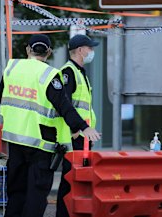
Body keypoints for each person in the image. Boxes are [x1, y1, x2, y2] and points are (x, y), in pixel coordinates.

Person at [0, 34, 101, 217]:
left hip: (15, 140)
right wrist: (83, 127)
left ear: (28, 49)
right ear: (49, 52)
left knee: (16, 192)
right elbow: (64, 106)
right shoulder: (49, 75)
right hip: (40, 143)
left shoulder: (12, 68)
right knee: (36, 193)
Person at [56, 34, 99, 217]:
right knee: (70, 180)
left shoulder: (80, 72)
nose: (92, 52)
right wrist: (75, 130)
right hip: (75, 137)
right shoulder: (68, 72)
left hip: (83, 137)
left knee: (78, 181)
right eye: (90, 48)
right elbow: (63, 104)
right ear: (80, 50)